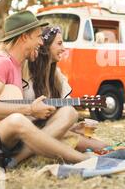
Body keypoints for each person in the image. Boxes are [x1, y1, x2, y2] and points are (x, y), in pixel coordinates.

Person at [0, 10, 90, 167]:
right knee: (17, 120)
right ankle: (84, 160)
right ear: (24, 37)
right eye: (38, 37)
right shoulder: (1, 62)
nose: (41, 43)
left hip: (11, 141)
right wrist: (30, 109)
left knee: (69, 112)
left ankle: (15, 160)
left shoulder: (17, 66)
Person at [20, 25, 108, 164]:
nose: (63, 48)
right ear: (45, 46)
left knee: (103, 147)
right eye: (59, 43)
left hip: (47, 130)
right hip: (25, 131)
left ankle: (35, 153)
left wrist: (74, 127)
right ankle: (22, 156)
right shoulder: (25, 69)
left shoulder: (56, 77)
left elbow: (57, 119)